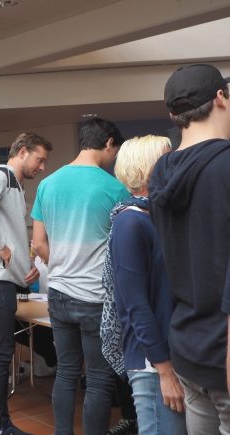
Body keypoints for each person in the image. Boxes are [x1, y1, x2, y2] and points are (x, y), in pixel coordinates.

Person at [31, 117, 129, 435]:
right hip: (95, 297)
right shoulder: (114, 188)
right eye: (115, 151)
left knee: (66, 372)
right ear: (109, 143)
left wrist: (62, 264)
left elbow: (38, 244)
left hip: (58, 292)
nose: (113, 158)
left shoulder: (48, 184)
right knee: (99, 379)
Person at [149, 63, 230, 433]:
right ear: (220, 98)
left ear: (173, 115)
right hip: (222, 353)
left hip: (187, 347)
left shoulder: (160, 173)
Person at [0, 132, 52, 435]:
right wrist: (0, 247)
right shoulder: (1, 174)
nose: (42, 166)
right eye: (40, 159)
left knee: (2, 355)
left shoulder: (13, 183)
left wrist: (25, 266)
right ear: (23, 152)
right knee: (0, 354)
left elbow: (6, 229)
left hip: (6, 280)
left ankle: (1, 424)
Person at [103, 135, 186, 435]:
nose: (174, 163)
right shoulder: (130, 222)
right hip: (153, 363)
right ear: (147, 167)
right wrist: (164, 370)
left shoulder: (159, 217)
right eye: (167, 158)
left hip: (172, 354)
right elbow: (135, 304)